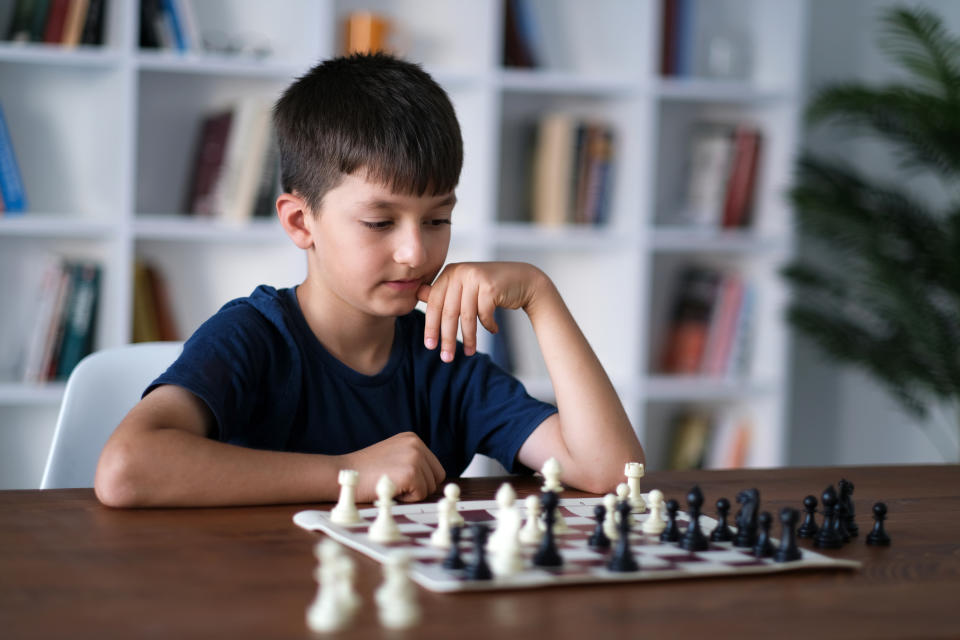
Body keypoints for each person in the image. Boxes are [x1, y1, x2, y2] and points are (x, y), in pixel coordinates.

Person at [94, 53, 644, 508]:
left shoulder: (444, 360)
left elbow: (613, 474)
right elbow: (126, 470)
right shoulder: (253, 336)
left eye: (437, 220)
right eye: (380, 222)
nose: (414, 251)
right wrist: (349, 474)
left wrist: (541, 295)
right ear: (300, 222)